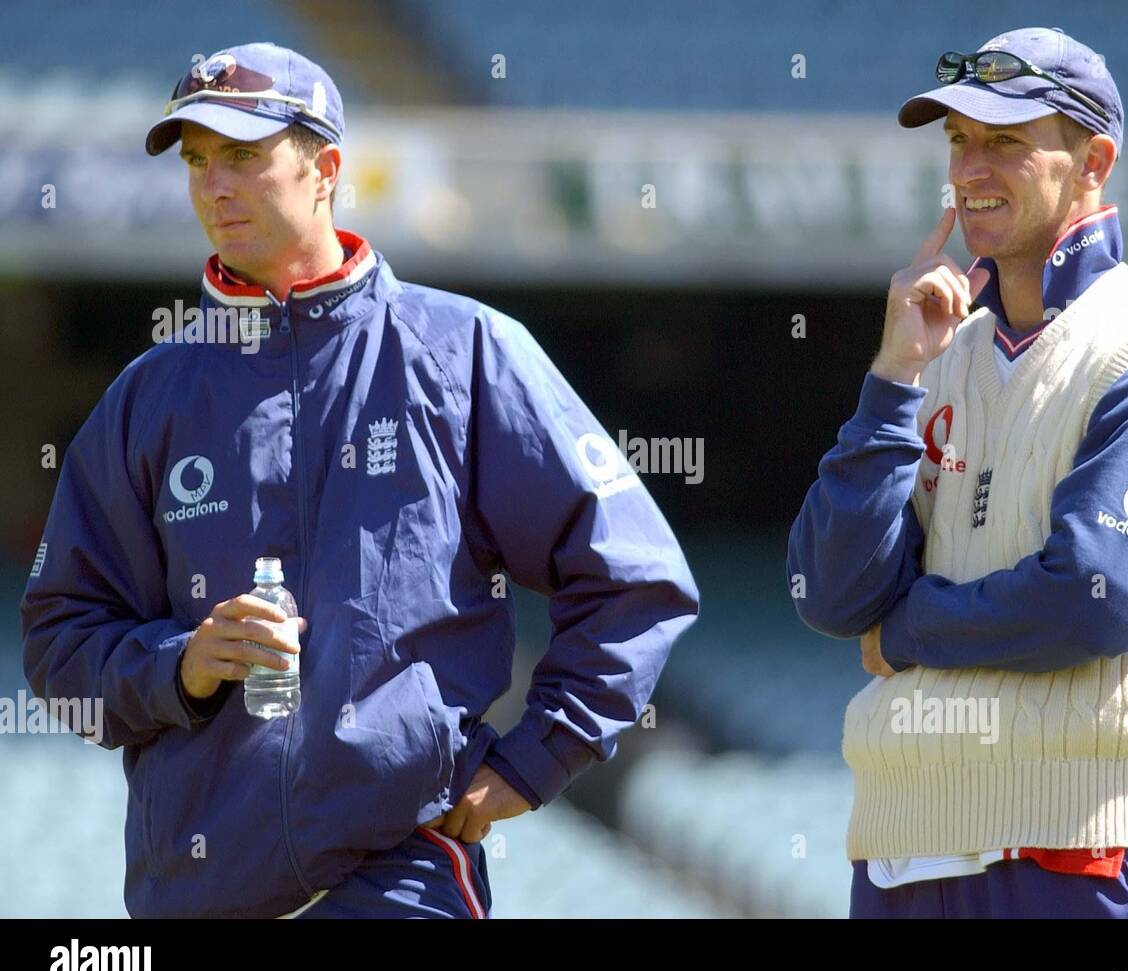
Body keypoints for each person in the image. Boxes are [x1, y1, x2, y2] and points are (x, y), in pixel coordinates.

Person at [21, 42, 699, 919]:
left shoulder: (463, 351)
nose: (212, 184)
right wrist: (178, 665)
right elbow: (59, 642)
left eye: (242, 154)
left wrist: (531, 764)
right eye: (196, 159)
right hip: (188, 895)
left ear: (326, 168)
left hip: (399, 885)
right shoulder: (147, 397)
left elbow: (636, 579)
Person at [787, 27, 1128, 918]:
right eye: (959, 140)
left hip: (1089, 861)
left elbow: (1093, 594)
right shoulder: (935, 352)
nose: (972, 167)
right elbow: (828, 593)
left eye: (1007, 141)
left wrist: (909, 630)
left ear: (1095, 160)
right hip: (898, 857)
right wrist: (892, 378)